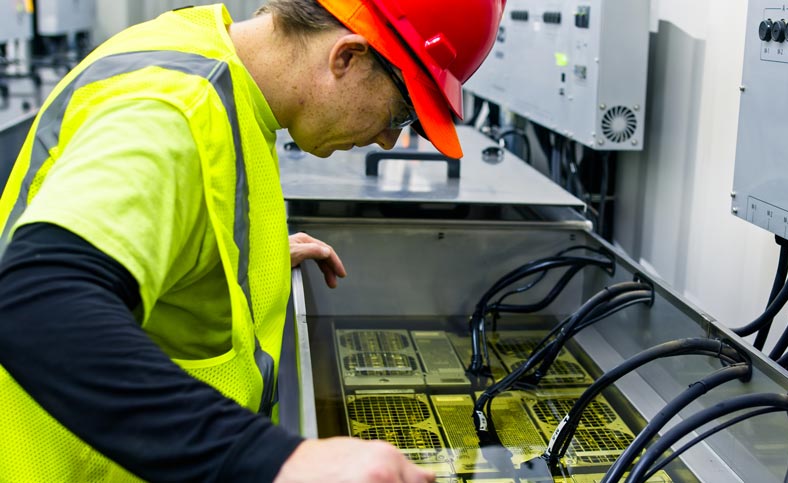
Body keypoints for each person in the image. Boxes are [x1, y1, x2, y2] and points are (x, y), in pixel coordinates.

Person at [0, 0, 503, 481]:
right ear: (347, 56)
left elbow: (151, 217)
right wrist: (272, 460)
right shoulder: (175, 112)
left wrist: (224, 260)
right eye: (400, 114)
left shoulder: (215, 63)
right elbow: (37, 300)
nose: (390, 140)